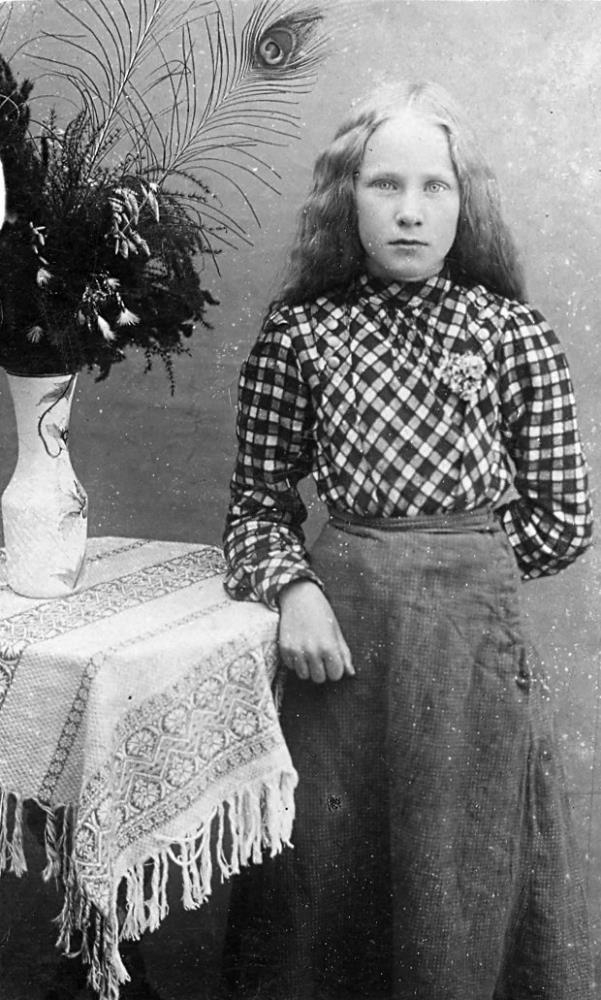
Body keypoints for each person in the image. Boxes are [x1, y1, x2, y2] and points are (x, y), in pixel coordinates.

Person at [221, 80, 595, 1000]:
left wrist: (463, 570)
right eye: (385, 184)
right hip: (340, 647)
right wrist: (295, 590)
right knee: (326, 865)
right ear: (345, 198)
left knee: (461, 861)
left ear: (465, 205)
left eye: (435, 187)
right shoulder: (303, 334)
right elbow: (255, 506)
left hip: (470, 649)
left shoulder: (510, 334)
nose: (410, 211)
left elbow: (563, 517)